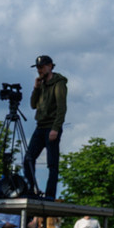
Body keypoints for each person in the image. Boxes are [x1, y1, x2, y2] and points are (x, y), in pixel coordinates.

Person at [25, 54, 66, 200]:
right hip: (40, 126)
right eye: (37, 68)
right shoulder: (41, 83)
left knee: (52, 163)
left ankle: (50, 195)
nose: (39, 70)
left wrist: (56, 128)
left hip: (51, 126)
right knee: (28, 159)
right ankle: (31, 189)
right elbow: (32, 105)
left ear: (50, 66)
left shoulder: (59, 83)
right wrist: (36, 88)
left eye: (41, 67)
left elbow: (62, 107)